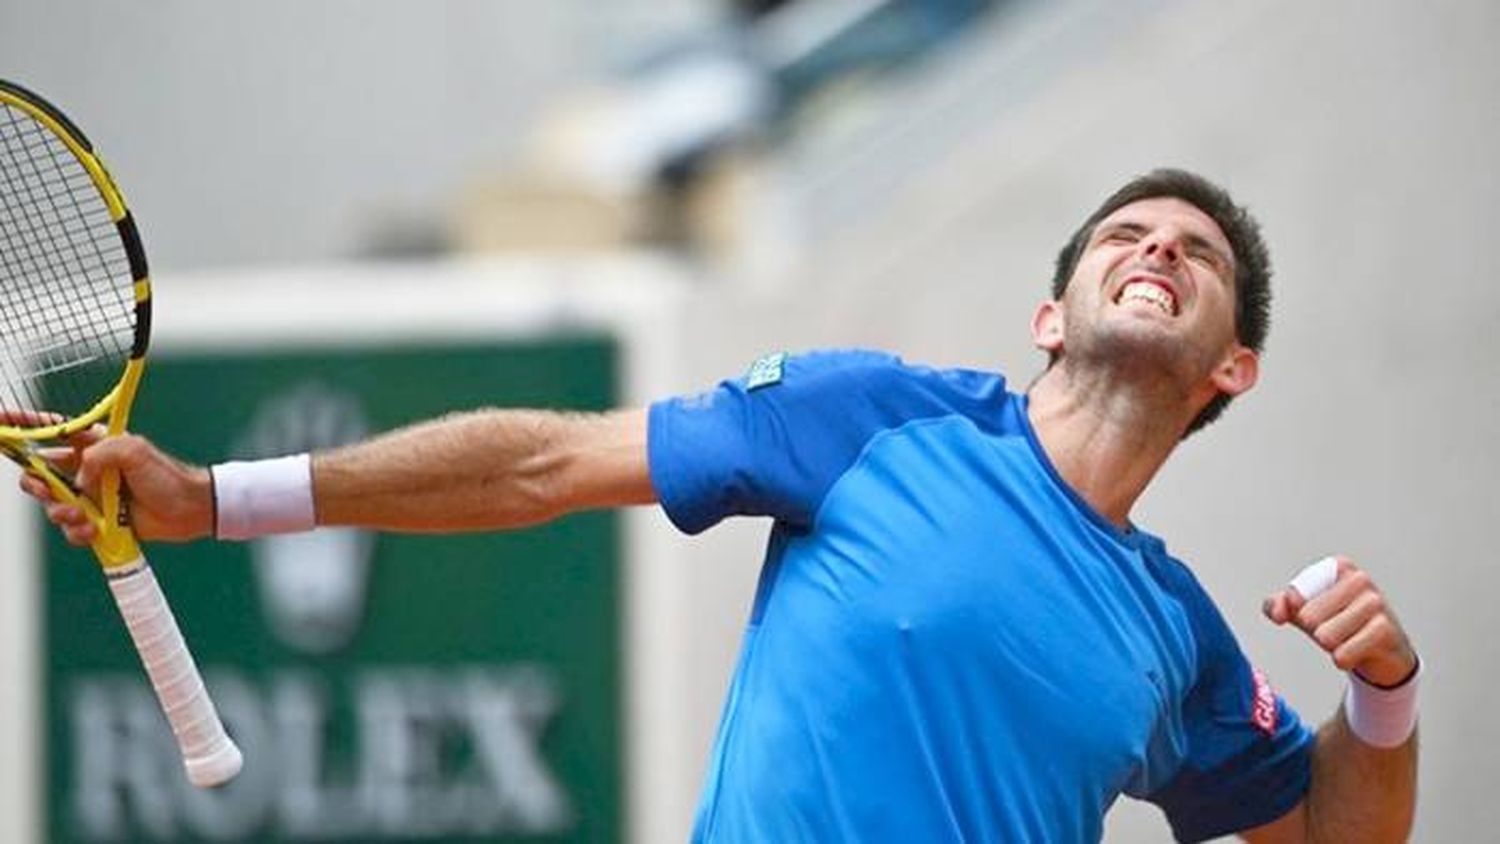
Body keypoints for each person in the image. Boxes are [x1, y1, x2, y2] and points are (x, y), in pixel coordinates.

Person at [17, 169, 1418, 843]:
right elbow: (544, 462)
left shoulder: (1174, 632)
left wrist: (1384, 698)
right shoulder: (874, 417)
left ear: (1231, 367)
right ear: (1049, 315)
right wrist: (218, 498)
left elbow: (1319, 839)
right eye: (1126, 234)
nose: (1158, 249)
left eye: (1196, 255)